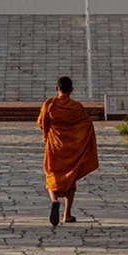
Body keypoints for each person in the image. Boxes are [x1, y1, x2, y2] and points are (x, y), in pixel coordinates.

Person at [37, 75, 99, 227]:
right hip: (72, 148)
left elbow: (41, 123)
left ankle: (54, 201)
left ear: (56, 89)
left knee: (52, 175)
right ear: (71, 90)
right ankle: (67, 214)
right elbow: (86, 123)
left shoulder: (49, 104)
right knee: (70, 178)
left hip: (54, 146)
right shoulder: (76, 107)